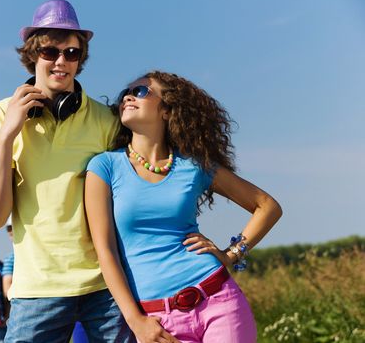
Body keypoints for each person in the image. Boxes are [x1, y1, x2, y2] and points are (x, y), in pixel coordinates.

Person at [0, 0, 134, 342]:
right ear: (33, 55)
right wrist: (8, 136)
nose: (61, 62)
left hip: (104, 286)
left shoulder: (106, 121)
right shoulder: (0, 116)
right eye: (50, 51)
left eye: (72, 53)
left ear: (81, 59)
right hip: (37, 290)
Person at [85, 71, 283, 342]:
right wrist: (136, 321)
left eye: (142, 91)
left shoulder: (194, 166)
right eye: (125, 94)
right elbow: (105, 251)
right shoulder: (104, 166)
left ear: (166, 110)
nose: (129, 96)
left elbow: (267, 206)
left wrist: (232, 253)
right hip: (158, 321)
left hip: (219, 301)